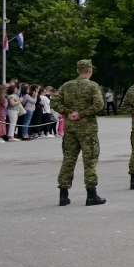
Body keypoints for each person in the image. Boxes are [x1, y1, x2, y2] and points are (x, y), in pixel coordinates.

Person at [56, 60, 107, 206]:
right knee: (90, 160)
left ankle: (63, 195)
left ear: (78, 70)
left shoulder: (67, 85)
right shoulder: (92, 86)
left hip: (71, 129)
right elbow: (98, 105)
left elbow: (55, 102)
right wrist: (82, 114)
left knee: (68, 160)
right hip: (87, 129)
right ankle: (91, 194)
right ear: (90, 70)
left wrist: (69, 112)